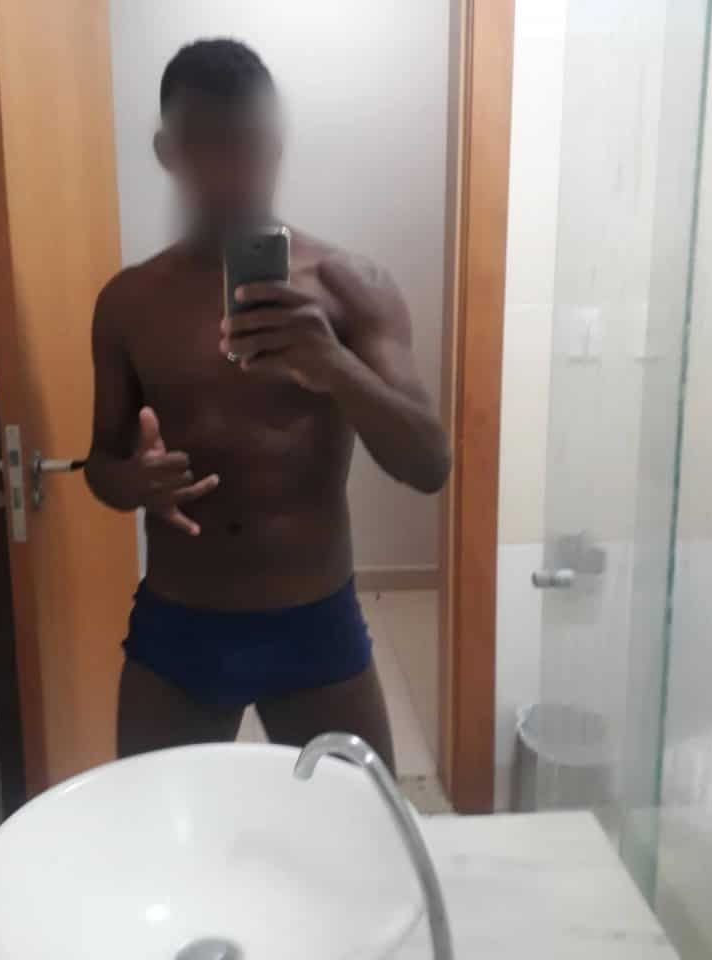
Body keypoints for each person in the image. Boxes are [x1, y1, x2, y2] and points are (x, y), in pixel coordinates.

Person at [85, 39, 450, 771]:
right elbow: (101, 465)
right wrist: (134, 483)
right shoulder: (128, 304)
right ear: (168, 152)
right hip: (180, 626)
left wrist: (334, 365)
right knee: (157, 824)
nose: (230, 170)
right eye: (206, 145)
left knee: (357, 824)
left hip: (313, 623)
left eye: (247, 144)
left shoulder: (351, 286)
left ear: (275, 146)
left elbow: (429, 463)